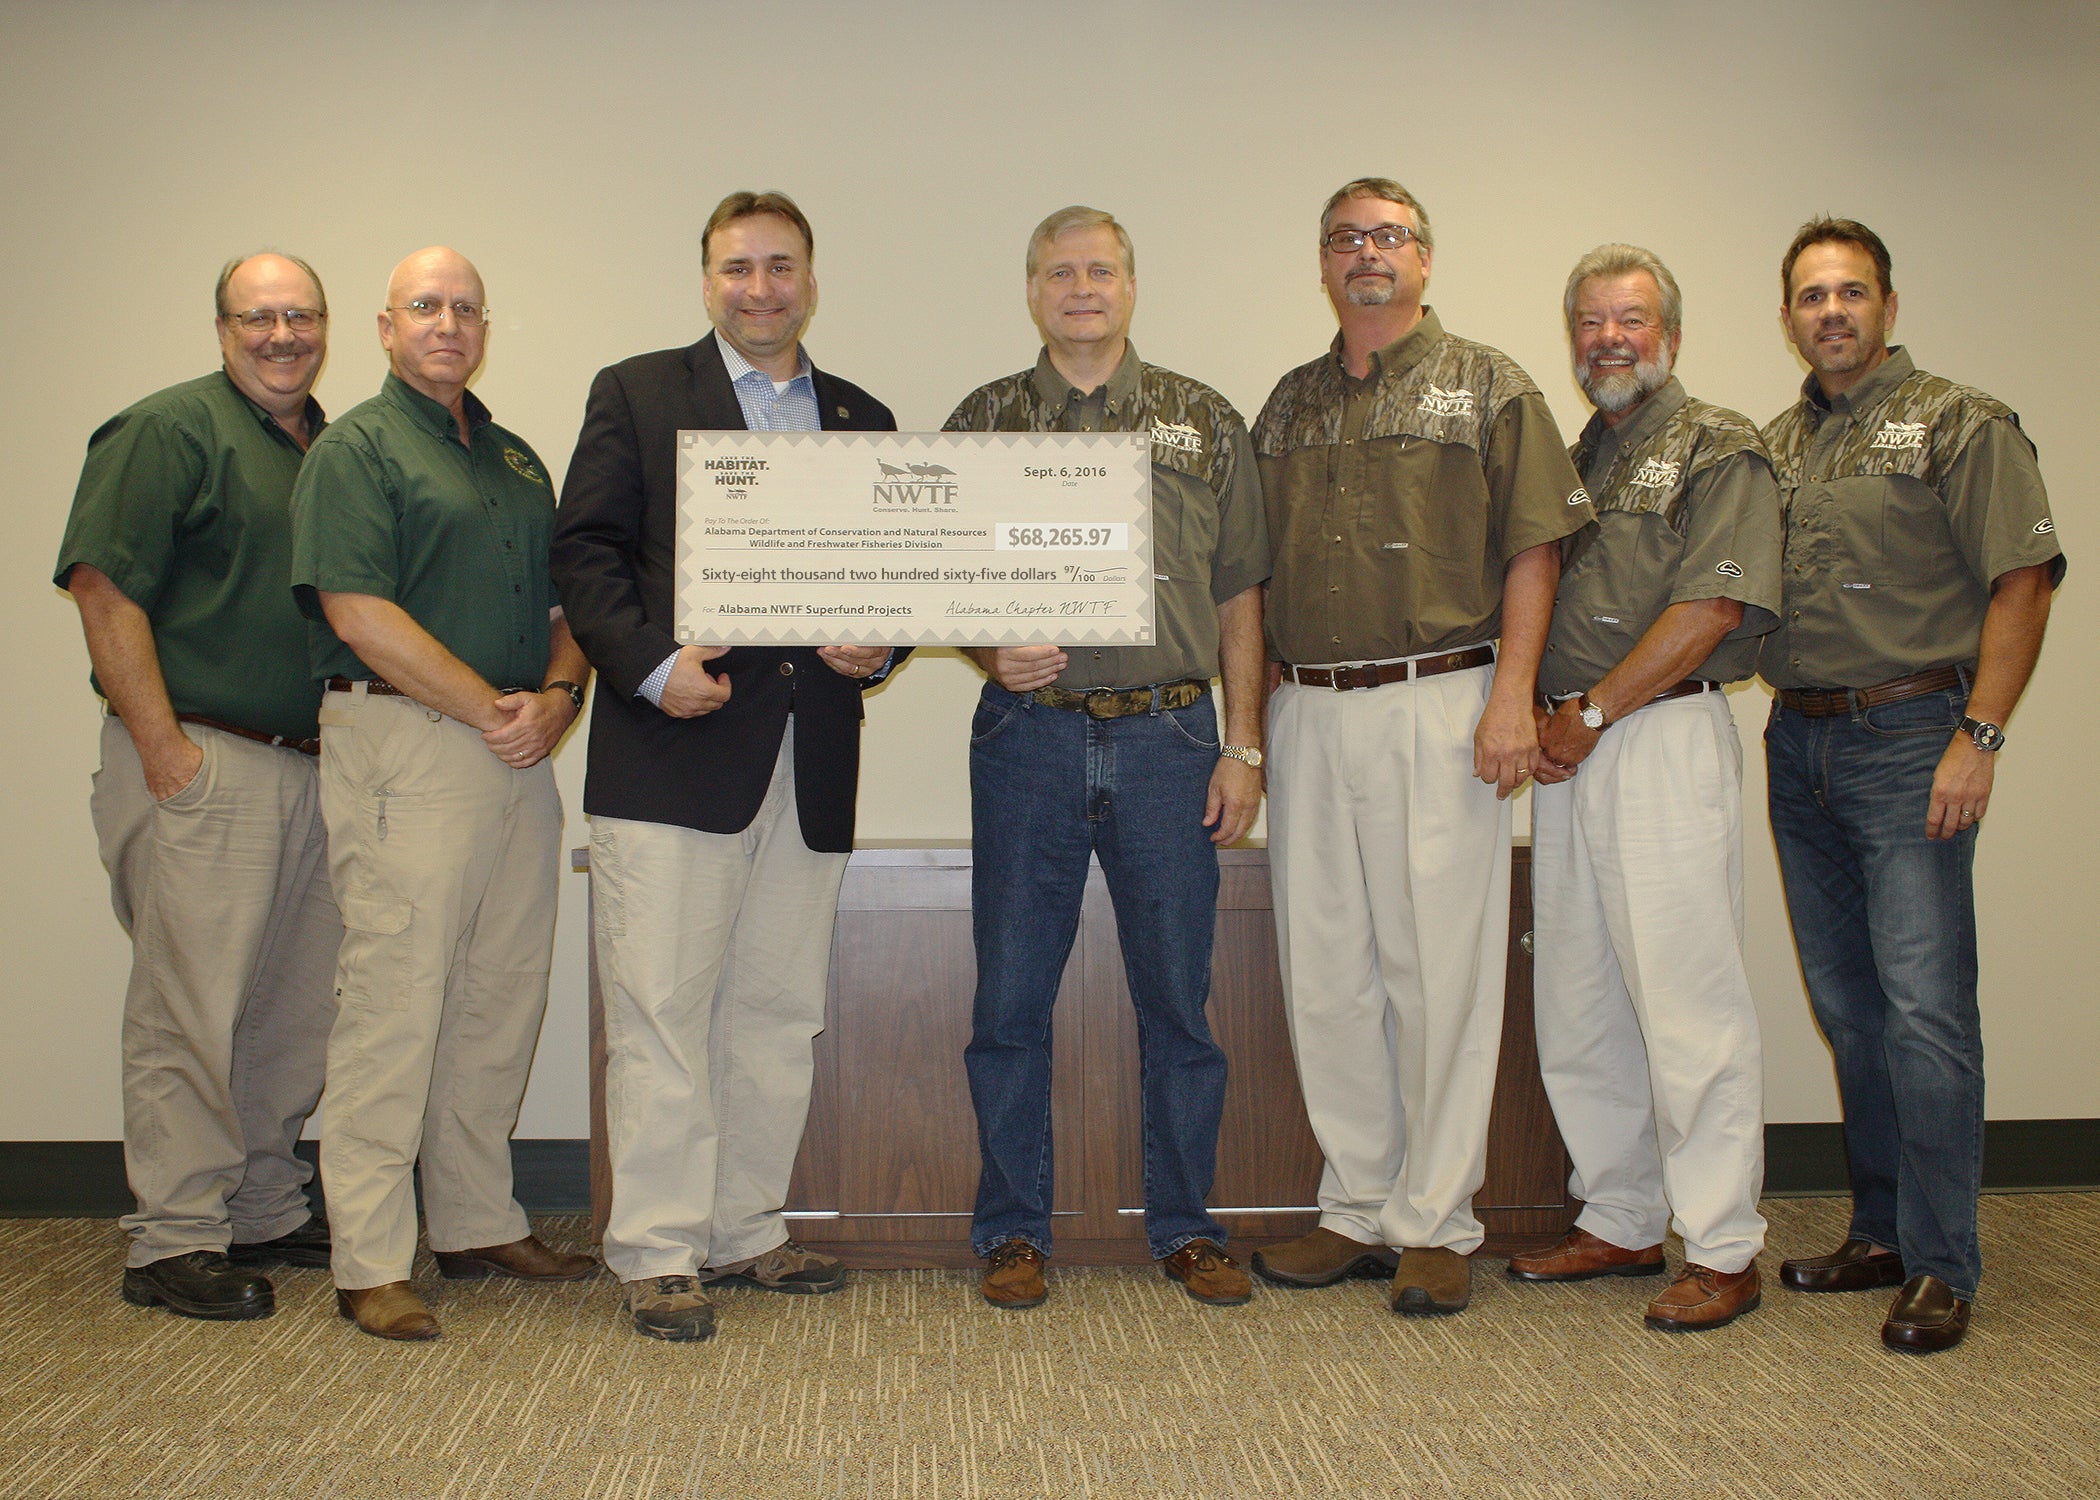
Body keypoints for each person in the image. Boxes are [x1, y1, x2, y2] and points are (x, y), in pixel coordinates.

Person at [551, 192, 899, 1343]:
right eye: (737, 267)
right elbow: (586, 553)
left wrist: (879, 643)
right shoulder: (640, 392)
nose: (761, 288)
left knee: (776, 1009)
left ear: (812, 279)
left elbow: (888, 578)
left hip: (810, 761)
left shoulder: (861, 416)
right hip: (673, 751)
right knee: (661, 1012)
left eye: (781, 266)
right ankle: (656, 1249)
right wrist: (650, 667)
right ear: (707, 280)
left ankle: (747, 1228)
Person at [1249, 178, 1592, 1316]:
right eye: (1345, 239)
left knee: (1438, 970)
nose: (1366, 256)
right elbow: (1240, 581)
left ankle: (1437, 1219)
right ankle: (1356, 1205)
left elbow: (1535, 548)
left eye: (1387, 237)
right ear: (1323, 262)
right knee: (1328, 971)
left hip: (1440, 701)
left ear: (1425, 258)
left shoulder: (1492, 385)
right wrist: (1248, 732)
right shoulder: (1288, 405)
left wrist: (1514, 696)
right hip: (1310, 708)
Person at [944, 206, 1270, 1310]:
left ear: (1131, 285)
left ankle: (1186, 1228)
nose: (1080, 287)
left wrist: (1246, 747)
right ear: (1031, 291)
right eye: (1058, 272)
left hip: (1174, 738)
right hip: (1027, 741)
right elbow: (937, 572)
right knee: (1010, 1001)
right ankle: (1012, 1234)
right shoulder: (983, 422)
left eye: (1101, 270)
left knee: (1180, 1003)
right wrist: (992, 645)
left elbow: (1240, 592)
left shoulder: (1203, 421)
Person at [1760, 218, 2062, 1353]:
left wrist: (1979, 734)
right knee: (1852, 1011)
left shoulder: (1960, 422)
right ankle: (1881, 1230)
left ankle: (1944, 1261)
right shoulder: (1779, 446)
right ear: (1787, 314)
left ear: (1888, 305)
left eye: (1851, 291)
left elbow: (2023, 580)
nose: (1830, 311)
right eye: (1809, 295)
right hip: (1801, 744)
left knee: (1927, 1013)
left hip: (1913, 738)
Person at [289, 247, 595, 1341]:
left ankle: (473, 1220)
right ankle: (370, 1255)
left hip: (516, 746)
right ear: (384, 326)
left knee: (499, 994)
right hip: (409, 741)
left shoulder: (514, 457)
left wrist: (557, 700)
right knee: (394, 1001)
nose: (448, 324)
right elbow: (356, 609)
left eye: (466, 308)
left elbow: (572, 608)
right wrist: (491, 709)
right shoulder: (356, 451)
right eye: (426, 307)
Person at [55, 252, 342, 1321]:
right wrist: (164, 748)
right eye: (258, 317)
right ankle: (172, 1236)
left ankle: (262, 1203)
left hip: (314, 768)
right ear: (222, 327)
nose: (281, 335)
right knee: (191, 1008)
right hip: (202, 757)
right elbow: (102, 588)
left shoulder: (329, 446)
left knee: (291, 1008)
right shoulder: (166, 430)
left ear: (326, 326)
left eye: (299, 315)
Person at [1506, 244, 1780, 1331]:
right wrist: (1547, 718)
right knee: (1580, 998)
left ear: (1672, 331)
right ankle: (1620, 1217)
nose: (1608, 338)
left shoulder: (1720, 445)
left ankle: (1722, 1245)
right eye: (1590, 321)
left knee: (1687, 1002)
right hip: (1573, 747)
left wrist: (1592, 713)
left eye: (1630, 318)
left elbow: (1712, 608)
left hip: (1654, 736)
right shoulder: (1584, 455)